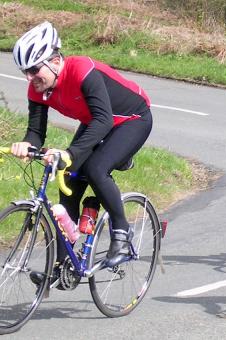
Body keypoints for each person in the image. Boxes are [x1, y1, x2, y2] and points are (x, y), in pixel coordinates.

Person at [9, 21, 153, 286]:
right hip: (96, 121)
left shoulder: (81, 70)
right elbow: (36, 132)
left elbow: (104, 121)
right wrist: (27, 145)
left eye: (33, 70)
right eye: (24, 72)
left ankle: (122, 231)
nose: (29, 78)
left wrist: (70, 152)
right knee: (69, 183)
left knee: (95, 169)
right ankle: (63, 267)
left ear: (54, 60)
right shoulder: (38, 89)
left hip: (131, 119)